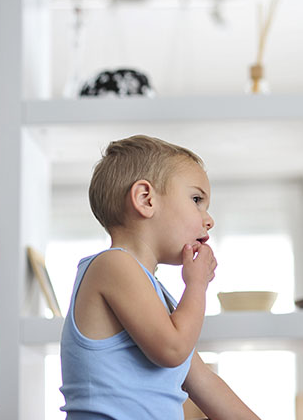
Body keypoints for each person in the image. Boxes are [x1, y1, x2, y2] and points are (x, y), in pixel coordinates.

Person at [59, 135, 259, 419]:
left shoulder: (158, 300)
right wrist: (197, 284)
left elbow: (206, 384)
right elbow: (172, 348)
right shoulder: (113, 265)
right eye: (196, 200)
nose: (209, 218)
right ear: (145, 199)